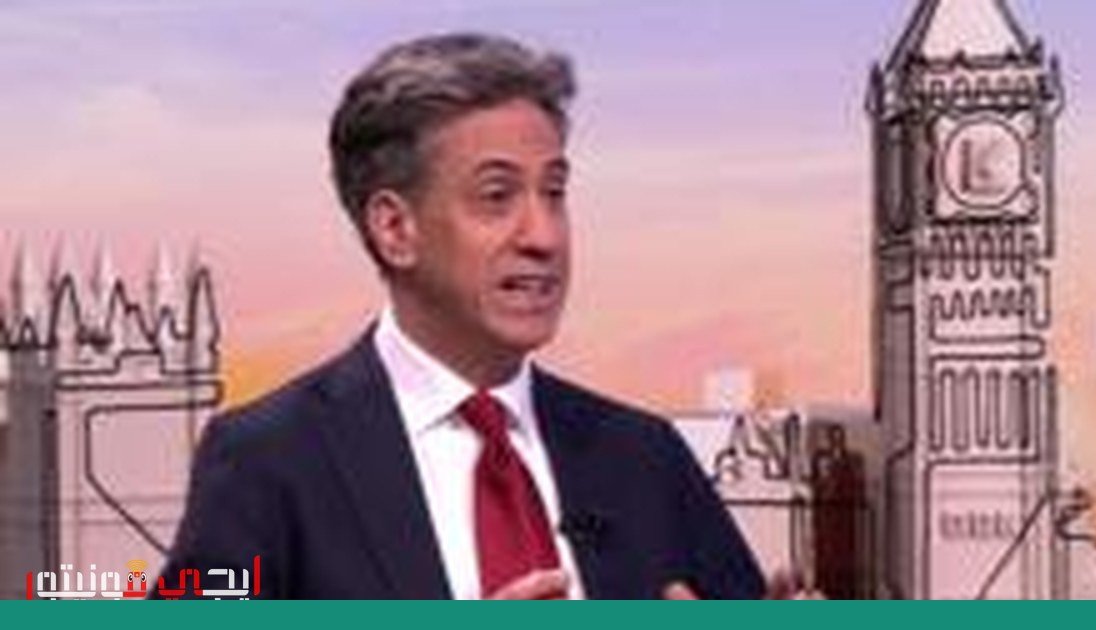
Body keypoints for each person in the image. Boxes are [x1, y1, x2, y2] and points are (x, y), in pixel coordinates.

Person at [154, 32, 765, 600]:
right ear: (396, 229)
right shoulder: (267, 460)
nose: (545, 236)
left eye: (554, 193)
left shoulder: (645, 457)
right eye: (497, 196)